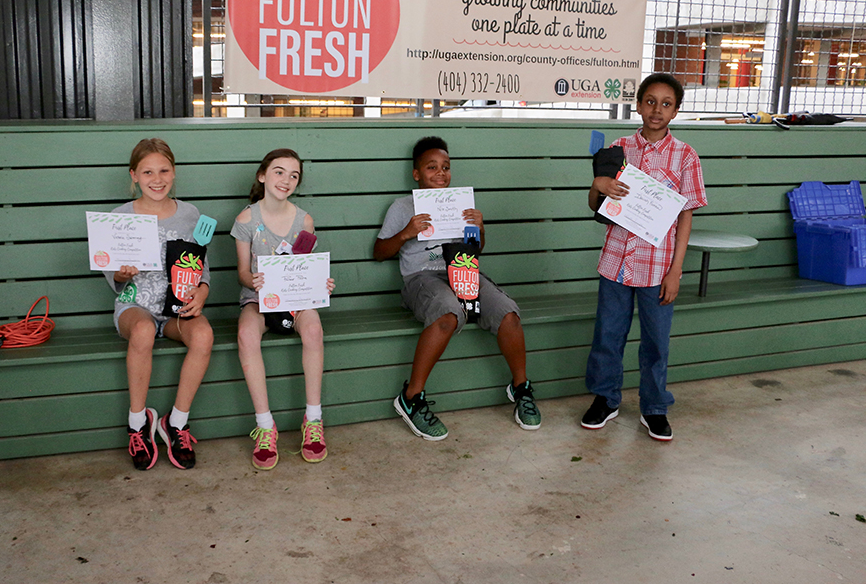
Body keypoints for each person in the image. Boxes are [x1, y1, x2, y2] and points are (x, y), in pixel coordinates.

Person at [374, 136, 541, 441]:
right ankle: (411, 397)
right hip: (421, 280)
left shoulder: (461, 204)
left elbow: (476, 250)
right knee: (449, 313)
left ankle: (521, 388)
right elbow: (379, 252)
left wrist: (480, 229)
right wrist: (406, 233)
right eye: (432, 167)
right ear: (417, 174)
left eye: (446, 167)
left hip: (462, 271)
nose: (441, 173)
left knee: (508, 315)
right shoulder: (402, 207)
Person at [581, 73, 707, 441]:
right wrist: (597, 186)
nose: (657, 110)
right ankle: (606, 397)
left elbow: (686, 214)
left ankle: (653, 407)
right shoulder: (618, 150)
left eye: (666, 104)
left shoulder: (685, 156)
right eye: (650, 101)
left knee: (656, 341)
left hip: (658, 267)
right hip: (617, 260)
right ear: (638, 104)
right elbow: (597, 206)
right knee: (608, 334)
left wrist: (676, 271)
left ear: (676, 111)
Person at [105, 138, 215, 470]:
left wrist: (202, 293)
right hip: (135, 304)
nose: (157, 178)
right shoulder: (119, 217)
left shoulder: (190, 214)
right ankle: (138, 423)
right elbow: (112, 277)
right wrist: (121, 275)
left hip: (175, 309)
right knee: (142, 331)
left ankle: (176, 422)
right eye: (148, 171)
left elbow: (201, 266)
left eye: (164, 170)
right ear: (134, 175)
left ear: (174, 172)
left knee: (204, 335)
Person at [231, 148, 335, 470]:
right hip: (259, 299)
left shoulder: (304, 220)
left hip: (297, 301)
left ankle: (313, 420)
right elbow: (242, 273)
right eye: (279, 171)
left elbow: (306, 268)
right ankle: (265, 425)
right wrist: (256, 280)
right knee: (246, 334)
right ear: (262, 175)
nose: (286, 179)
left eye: (294, 175)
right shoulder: (246, 219)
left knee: (314, 330)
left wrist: (321, 285)